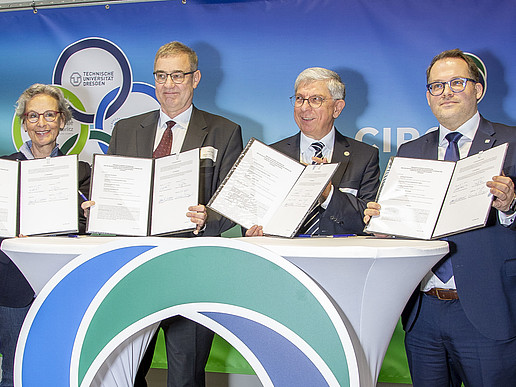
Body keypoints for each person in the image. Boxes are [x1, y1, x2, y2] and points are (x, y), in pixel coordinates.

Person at [84, 41, 243, 386]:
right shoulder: (126, 128)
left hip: (191, 268)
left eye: (177, 75)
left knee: (185, 375)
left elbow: (231, 203)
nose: (168, 84)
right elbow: (111, 190)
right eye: (160, 76)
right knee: (123, 372)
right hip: (131, 269)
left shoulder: (224, 130)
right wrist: (97, 208)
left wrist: (209, 218)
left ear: (195, 78)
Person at [364, 49, 516, 386]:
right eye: (436, 86)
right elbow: (407, 230)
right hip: (423, 312)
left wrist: (510, 206)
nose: (445, 92)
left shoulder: (511, 142)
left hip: (487, 309)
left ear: (478, 89)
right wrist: (385, 226)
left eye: (456, 83)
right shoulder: (410, 152)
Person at [0, 84, 90, 387]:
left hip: (63, 285)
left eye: (49, 115)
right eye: (33, 116)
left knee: (60, 371)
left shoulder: (83, 172)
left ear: (62, 121)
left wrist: (93, 215)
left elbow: (86, 229)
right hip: (14, 288)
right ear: (24, 123)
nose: (42, 124)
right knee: (14, 373)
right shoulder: (3, 169)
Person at [246, 67, 380, 237]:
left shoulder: (364, 156)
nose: (304, 108)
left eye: (315, 99)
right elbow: (252, 218)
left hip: (342, 259)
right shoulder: (272, 155)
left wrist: (329, 195)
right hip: (283, 257)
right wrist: (252, 230)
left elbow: (370, 221)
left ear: (337, 108)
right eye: (299, 99)